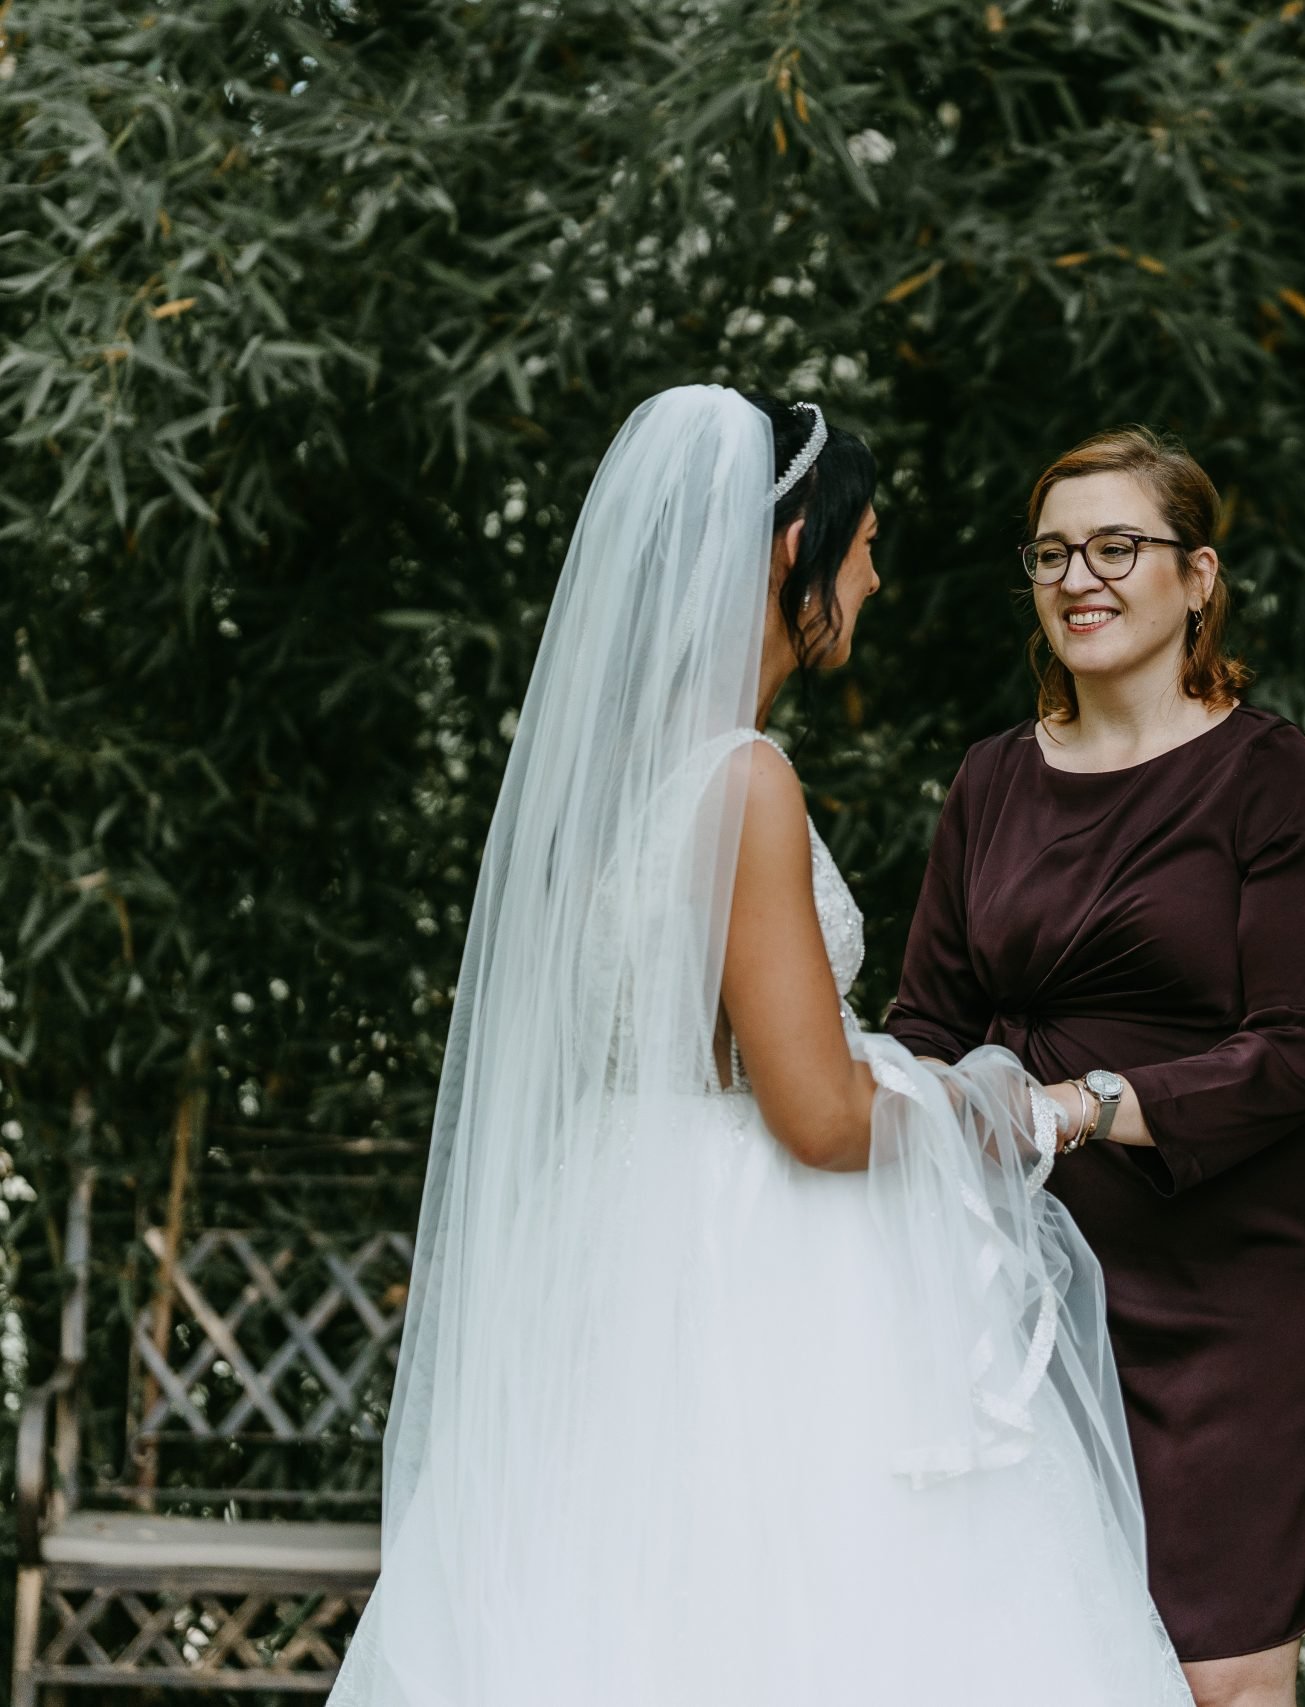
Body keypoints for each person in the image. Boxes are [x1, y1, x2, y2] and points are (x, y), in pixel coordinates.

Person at [331, 386, 1190, 1707]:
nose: (876, 578)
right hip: (759, 1265)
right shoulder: (744, 777)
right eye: (865, 546)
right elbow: (818, 1115)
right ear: (797, 548)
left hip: (621, 1252)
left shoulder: (617, 775)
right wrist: (991, 1107)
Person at [887, 428, 1305, 1707]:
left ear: (1197, 578)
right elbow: (928, 1019)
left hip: (1237, 1281)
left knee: (1217, 1675)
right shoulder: (991, 779)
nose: (1078, 579)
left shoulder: (1267, 774)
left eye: (1116, 547)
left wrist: (1087, 1106)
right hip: (1028, 1274)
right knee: (1044, 1652)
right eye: (1052, 554)